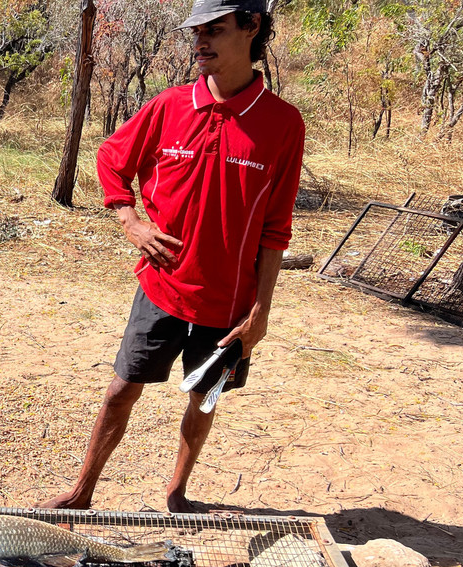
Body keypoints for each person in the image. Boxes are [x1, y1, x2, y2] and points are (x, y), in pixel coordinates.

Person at [40, 0, 304, 513]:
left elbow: (276, 226)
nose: (201, 42)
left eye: (215, 30)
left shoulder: (282, 124)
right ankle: (80, 492)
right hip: (161, 287)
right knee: (122, 388)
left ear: (251, 28)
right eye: (197, 32)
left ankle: (177, 494)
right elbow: (112, 160)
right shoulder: (170, 106)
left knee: (204, 397)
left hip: (229, 303)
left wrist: (261, 312)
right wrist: (131, 221)